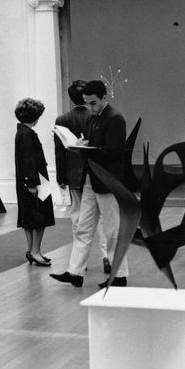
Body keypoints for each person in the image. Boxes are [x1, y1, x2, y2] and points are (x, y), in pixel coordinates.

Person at [51, 79, 128, 289]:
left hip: (107, 181)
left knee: (112, 230)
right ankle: (75, 272)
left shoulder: (115, 119)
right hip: (91, 179)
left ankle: (119, 275)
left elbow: (115, 152)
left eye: (93, 103)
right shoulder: (95, 117)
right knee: (83, 228)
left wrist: (88, 150)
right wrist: (83, 145)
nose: (89, 108)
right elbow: (97, 144)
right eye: (86, 103)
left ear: (104, 98)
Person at [53, 80, 111, 274]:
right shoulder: (95, 116)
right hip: (95, 172)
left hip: (74, 173)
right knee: (102, 218)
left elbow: (59, 151)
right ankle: (106, 257)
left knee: (78, 217)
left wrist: (61, 177)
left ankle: (80, 263)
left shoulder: (62, 119)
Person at [14, 98, 54, 267]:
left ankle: (32, 250)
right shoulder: (28, 134)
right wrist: (32, 183)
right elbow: (29, 160)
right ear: (35, 117)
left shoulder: (21, 132)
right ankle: (36, 251)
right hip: (38, 181)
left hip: (29, 181)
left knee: (29, 217)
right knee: (40, 218)